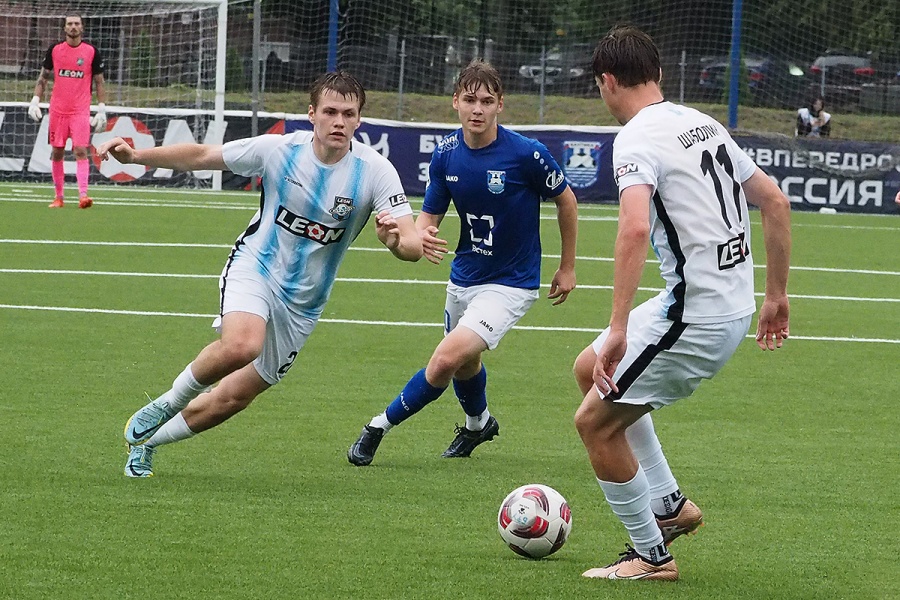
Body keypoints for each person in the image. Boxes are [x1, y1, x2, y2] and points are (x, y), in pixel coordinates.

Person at [96, 71, 424, 477]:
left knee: (232, 398)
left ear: (359, 119)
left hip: (304, 303)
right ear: (312, 114)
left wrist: (394, 242)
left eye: (348, 114)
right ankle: (167, 402)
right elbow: (201, 155)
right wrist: (136, 157)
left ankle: (147, 444)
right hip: (256, 266)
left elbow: (411, 245)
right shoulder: (278, 150)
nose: (339, 121)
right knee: (242, 345)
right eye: (330, 112)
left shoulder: (375, 171)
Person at [573, 26, 791, 581]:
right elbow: (775, 201)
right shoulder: (703, 122)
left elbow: (633, 228)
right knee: (589, 368)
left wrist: (618, 326)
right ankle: (669, 506)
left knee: (594, 424)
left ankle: (651, 556)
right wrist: (776, 296)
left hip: (695, 318)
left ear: (606, 82)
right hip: (728, 305)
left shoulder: (635, 139)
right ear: (659, 74)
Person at [347, 59, 579, 466]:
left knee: (445, 359)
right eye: (470, 100)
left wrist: (568, 266)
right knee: (465, 363)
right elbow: (422, 230)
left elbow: (567, 201)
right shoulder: (446, 155)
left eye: (487, 101)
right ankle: (478, 424)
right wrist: (397, 239)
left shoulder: (527, 154)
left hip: (511, 283)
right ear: (455, 101)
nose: (477, 109)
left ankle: (376, 428)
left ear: (500, 105)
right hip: (464, 277)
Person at [28, 12, 107, 209]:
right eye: (70, 23)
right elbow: (43, 77)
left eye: (76, 23)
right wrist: (35, 101)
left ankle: (83, 195)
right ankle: (59, 197)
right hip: (58, 110)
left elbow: (99, 81)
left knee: (81, 150)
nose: (73, 27)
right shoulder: (55, 50)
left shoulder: (91, 51)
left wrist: (101, 109)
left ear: (82, 27)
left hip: (80, 110)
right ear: (64, 28)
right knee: (57, 152)